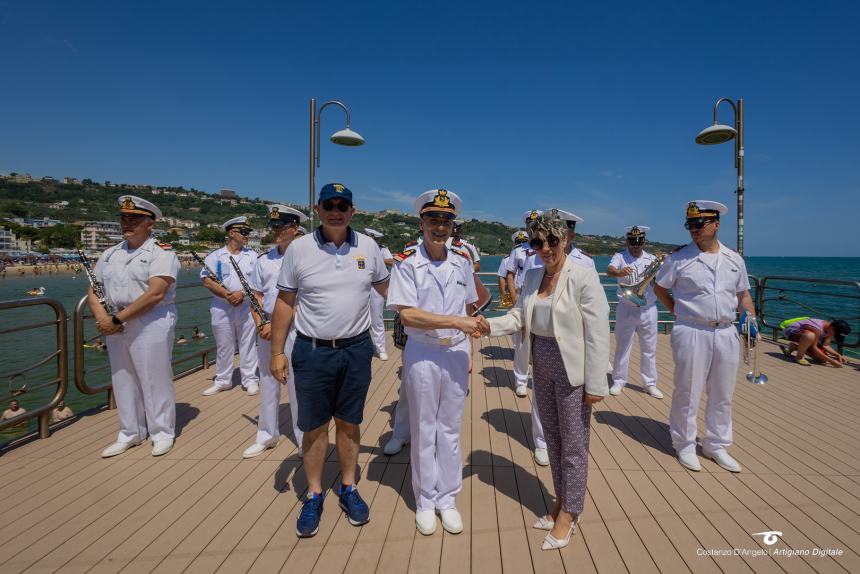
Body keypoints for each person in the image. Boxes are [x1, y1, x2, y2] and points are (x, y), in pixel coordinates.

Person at [479, 209, 610, 550]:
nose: (546, 247)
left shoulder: (582, 275)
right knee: (552, 440)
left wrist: (596, 384)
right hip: (542, 362)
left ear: (566, 239)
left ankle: (570, 511)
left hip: (572, 368)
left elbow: (597, 332)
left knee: (574, 446)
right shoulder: (534, 276)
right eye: (539, 242)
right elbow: (518, 317)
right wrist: (486, 326)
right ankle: (558, 502)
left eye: (553, 239)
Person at [269, 183, 389, 538]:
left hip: (356, 349)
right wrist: (277, 352)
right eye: (330, 204)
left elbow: (389, 289)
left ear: (353, 211)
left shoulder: (368, 247)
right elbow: (285, 303)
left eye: (343, 205)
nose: (336, 210)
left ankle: (349, 488)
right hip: (312, 349)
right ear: (318, 209)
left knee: (349, 424)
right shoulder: (299, 249)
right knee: (315, 426)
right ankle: (315, 493)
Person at [387, 189, 481, 535]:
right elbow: (408, 316)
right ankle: (426, 500)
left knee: (451, 430)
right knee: (424, 428)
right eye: (433, 219)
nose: (440, 226)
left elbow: (469, 308)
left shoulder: (462, 263)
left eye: (446, 220)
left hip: (456, 352)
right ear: (421, 222)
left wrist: (468, 348)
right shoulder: (408, 264)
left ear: (453, 225)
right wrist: (456, 323)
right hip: (423, 351)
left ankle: (448, 498)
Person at [654, 200, 755, 474]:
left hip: (725, 332)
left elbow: (743, 294)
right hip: (692, 331)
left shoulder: (734, 259)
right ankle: (684, 444)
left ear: (716, 225)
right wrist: (677, 310)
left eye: (700, 224)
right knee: (688, 390)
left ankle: (716, 444)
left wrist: (751, 320)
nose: (694, 230)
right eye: (690, 225)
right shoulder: (678, 259)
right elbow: (659, 287)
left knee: (723, 392)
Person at [89, 195, 180, 458]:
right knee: (122, 377)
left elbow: (155, 294)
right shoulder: (109, 254)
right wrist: (104, 318)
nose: (127, 223)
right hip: (116, 321)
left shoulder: (162, 252)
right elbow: (93, 289)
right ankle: (130, 432)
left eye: (134, 219)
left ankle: (162, 432)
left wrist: (116, 320)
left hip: (151, 321)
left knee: (155, 377)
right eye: (124, 218)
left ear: (149, 223)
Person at [242, 204, 307, 459]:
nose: (276, 231)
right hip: (267, 328)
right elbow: (256, 296)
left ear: (294, 229)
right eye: (273, 227)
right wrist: (260, 323)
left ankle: (304, 439)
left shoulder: (304, 258)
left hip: (296, 328)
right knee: (268, 383)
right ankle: (267, 435)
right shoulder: (264, 260)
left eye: (281, 227)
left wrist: (279, 324)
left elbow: (310, 299)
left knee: (296, 385)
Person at [200, 216, 260, 397]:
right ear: (231, 233)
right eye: (244, 232)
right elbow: (208, 281)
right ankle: (223, 381)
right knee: (224, 345)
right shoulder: (215, 256)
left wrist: (242, 293)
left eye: (248, 232)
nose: (247, 236)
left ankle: (250, 380)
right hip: (221, 307)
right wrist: (227, 295)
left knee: (248, 343)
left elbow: (258, 280)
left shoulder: (253, 256)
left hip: (246, 305)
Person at [606, 226, 663, 399]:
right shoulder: (620, 256)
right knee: (622, 347)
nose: (636, 245)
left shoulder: (652, 259)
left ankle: (650, 384)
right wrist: (619, 272)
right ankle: (619, 380)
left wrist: (657, 275)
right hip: (626, 308)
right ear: (627, 241)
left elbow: (660, 283)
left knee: (649, 349)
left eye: (639, 242)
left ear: (643, 241)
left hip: (648, 309)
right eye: (632, 242)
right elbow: (610, 271)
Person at [365, 228, 393, 361]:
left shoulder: (382, 249)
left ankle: (381, 349)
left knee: (377, 318)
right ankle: (367, 346)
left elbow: (391, 261)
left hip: (377, 286)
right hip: (361, 286)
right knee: (359, 318)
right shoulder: (358, 248)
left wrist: (379, 259)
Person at [781, 317, 851, 367]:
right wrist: (831, 361)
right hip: (791, 331)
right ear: (832, 329)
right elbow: (814, 347)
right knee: (810, 335)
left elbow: (826, 345)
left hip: (805, 338)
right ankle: (798, 358)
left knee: (821, 360)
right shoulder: (816, 328)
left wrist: (838, 355)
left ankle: (795, 347)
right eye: (835, 335)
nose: (833, 336)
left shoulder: (831, 329)